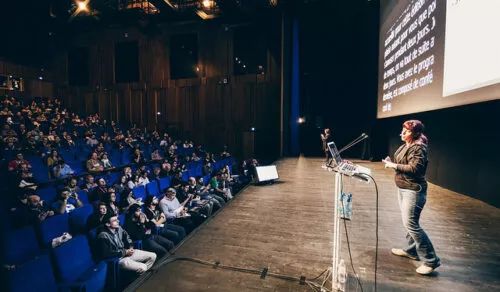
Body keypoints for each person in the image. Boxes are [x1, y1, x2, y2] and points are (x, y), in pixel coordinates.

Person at [382, 120, 440, 275]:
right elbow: (404, 164)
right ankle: (411, 251)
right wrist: (391, 163)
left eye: (406, 131)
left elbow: (414, 169)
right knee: (409, 223)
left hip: (413, 190)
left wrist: (393, 166)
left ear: (414, 133)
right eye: (402, 130)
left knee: (411, 224)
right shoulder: (406, 145)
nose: (402, 133)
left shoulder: (419, 148)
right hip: (404, 188)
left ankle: (431, 260)